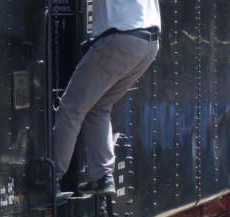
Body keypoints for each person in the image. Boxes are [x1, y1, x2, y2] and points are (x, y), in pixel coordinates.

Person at [53, 0, 160, 197]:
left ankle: (51, 178)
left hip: (121, 38)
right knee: (99, 106)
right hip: (148, 43)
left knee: (71, 107)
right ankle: (103, 176)